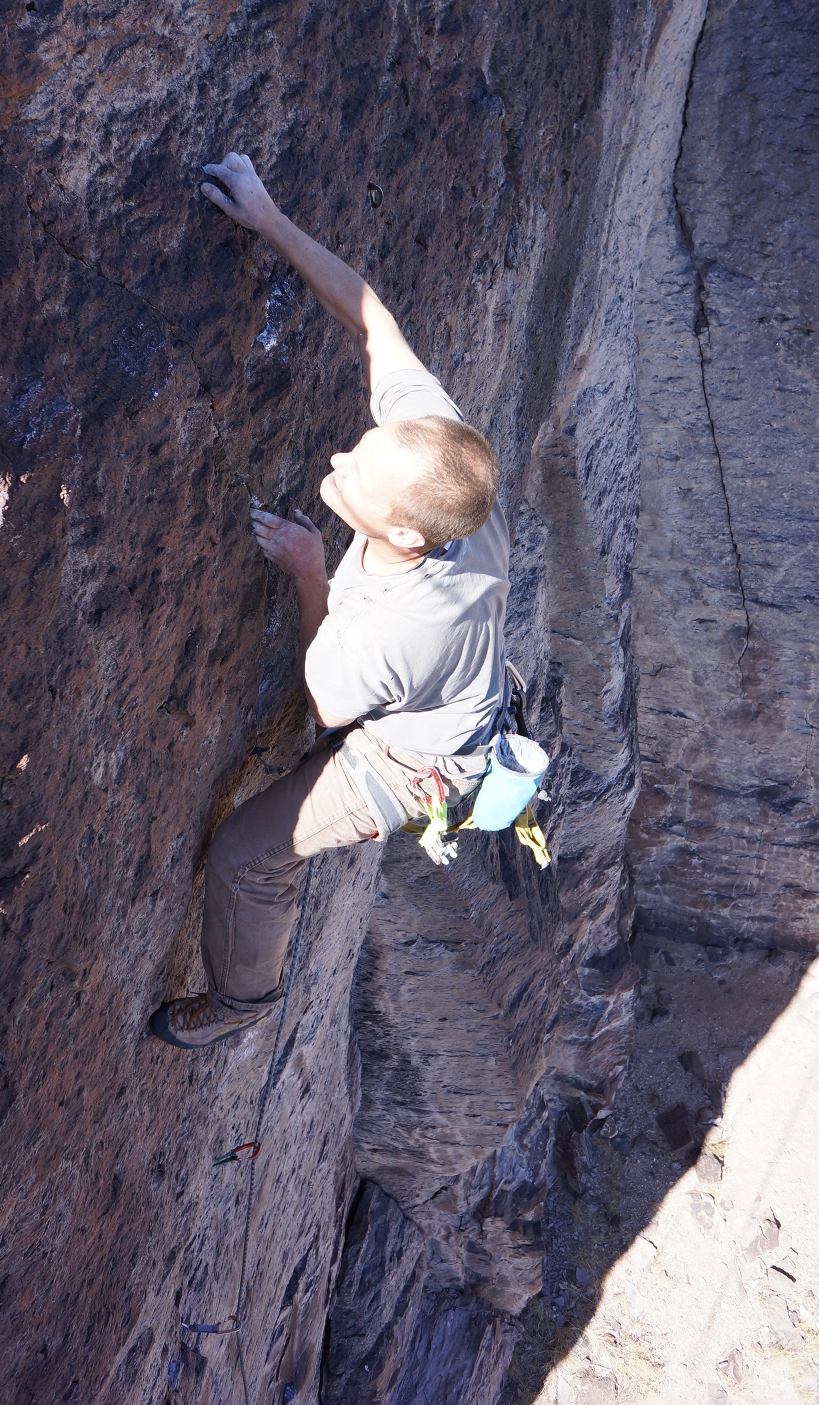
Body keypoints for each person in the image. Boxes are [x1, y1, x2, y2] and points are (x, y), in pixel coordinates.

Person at [150, 152, 510, 1050]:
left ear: (409, 536)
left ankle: (240, 1006)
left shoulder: (399, 628)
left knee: (245, 855)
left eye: (361, 476)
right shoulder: (442, 468)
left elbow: (325, 705)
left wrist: (312, 572)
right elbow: (374, 324)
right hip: (446, 693)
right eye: (364, 447)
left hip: (413, 763)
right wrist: (268, 218)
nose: (342, 462)